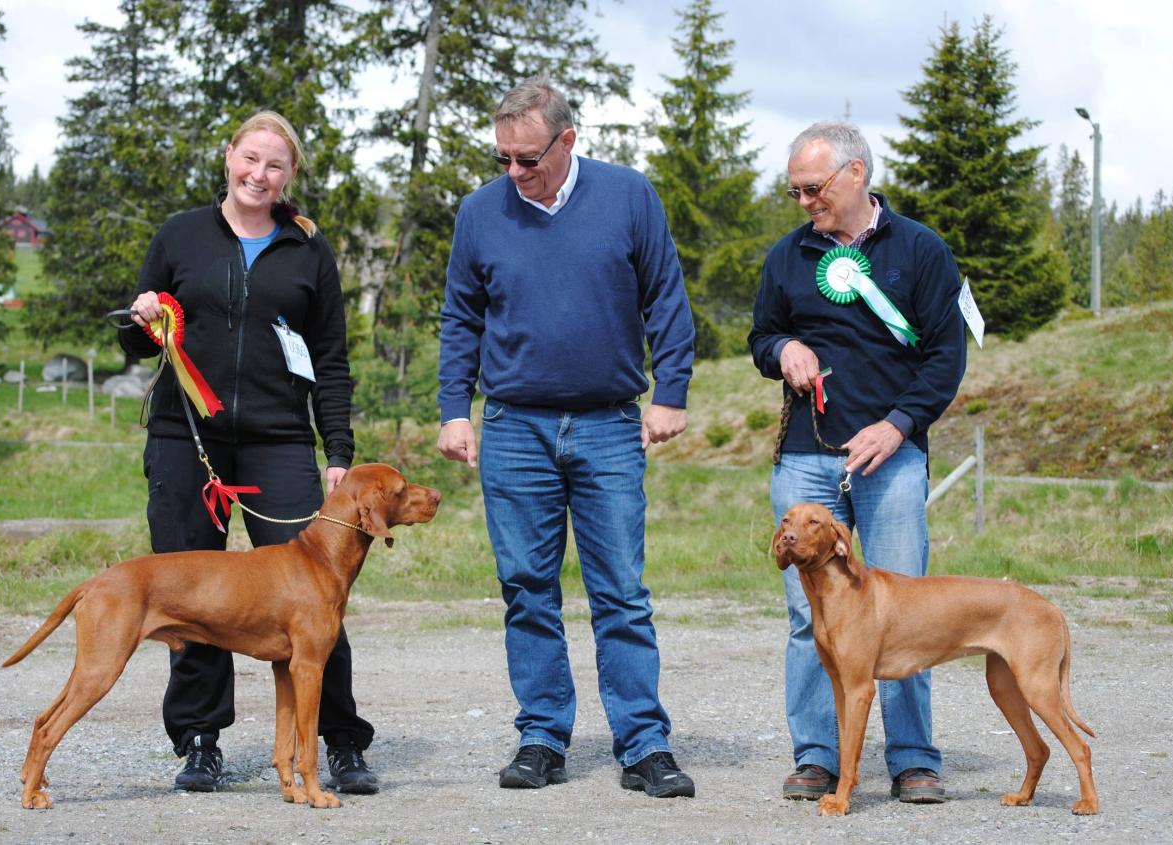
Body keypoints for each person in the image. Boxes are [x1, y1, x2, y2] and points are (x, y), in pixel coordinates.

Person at [436, 77, 697, 798]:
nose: (514, 173)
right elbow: (461, 315)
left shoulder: (628, 196)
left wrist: (669, 392)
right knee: (526, 588)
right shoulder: (479, 213)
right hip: (514, 424)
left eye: (527, 159)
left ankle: (643, 744)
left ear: (567, 140)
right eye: (503, 160)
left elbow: (666, 298)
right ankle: (542, 735)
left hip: (609, 422)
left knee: (620, 592)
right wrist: (453, 406)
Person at [118, 111, 378, 796]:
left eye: (274, 166)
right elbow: (136, 343)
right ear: (228, 155)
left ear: (288, 177)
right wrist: (144, 321)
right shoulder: (180, 234)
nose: (258, 175)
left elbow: (330, 357)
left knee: (317, 591)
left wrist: (338, 450)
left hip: (279, 440)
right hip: (186, 436)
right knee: (193, 595)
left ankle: (341, 739)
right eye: (250, 159)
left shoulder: (306, 250)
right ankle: (200, 740)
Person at [747, 121, 967, 804]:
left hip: (890, 460)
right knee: (804, 617)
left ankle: (911, 759)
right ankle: (815, 756)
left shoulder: (921, 251)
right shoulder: (787, 256)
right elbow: (759, 336)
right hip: (806, 461)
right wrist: (781, 350)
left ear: (854, 174)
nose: (803, 201)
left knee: (907, 614)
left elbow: (945, 355)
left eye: (811, 188)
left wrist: (898, 425)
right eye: (794, 191)